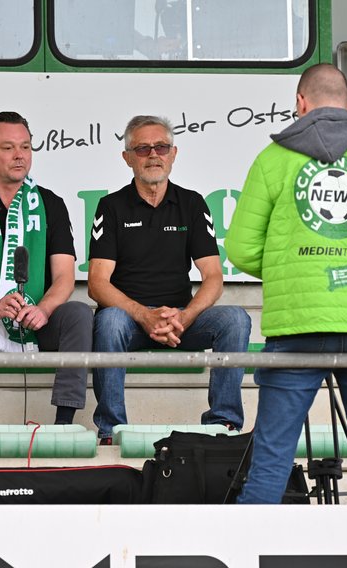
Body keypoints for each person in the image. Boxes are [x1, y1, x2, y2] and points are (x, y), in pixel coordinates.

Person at [225, 63, 347, 504]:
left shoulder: (273, 160)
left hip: (297, 326)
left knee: (271, 459)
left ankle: (248, 543)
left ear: (300, 103)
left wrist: (295, 270)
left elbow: (240, 248)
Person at [88, 115, 251, 443]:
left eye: (161, 147)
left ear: (173, 154)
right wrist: (143, 315)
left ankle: (224, 424)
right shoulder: (111, 206)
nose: (153, 155)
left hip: (179, 322)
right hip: (129, 322)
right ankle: (111, 430)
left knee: (236, 319)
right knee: (108, 322)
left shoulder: (192, 203)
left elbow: (213, 277)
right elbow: (97, 283)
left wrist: (185, 316)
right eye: (142, 148)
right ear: (127, 158)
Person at [0, 111, 92, 427]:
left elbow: (65, 277)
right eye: (8, 148)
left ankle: (63, 425)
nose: (19, 155)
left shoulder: (51, 204)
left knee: (78, 312)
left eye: (25, 147)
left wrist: (44, 309)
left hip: (39, 318)